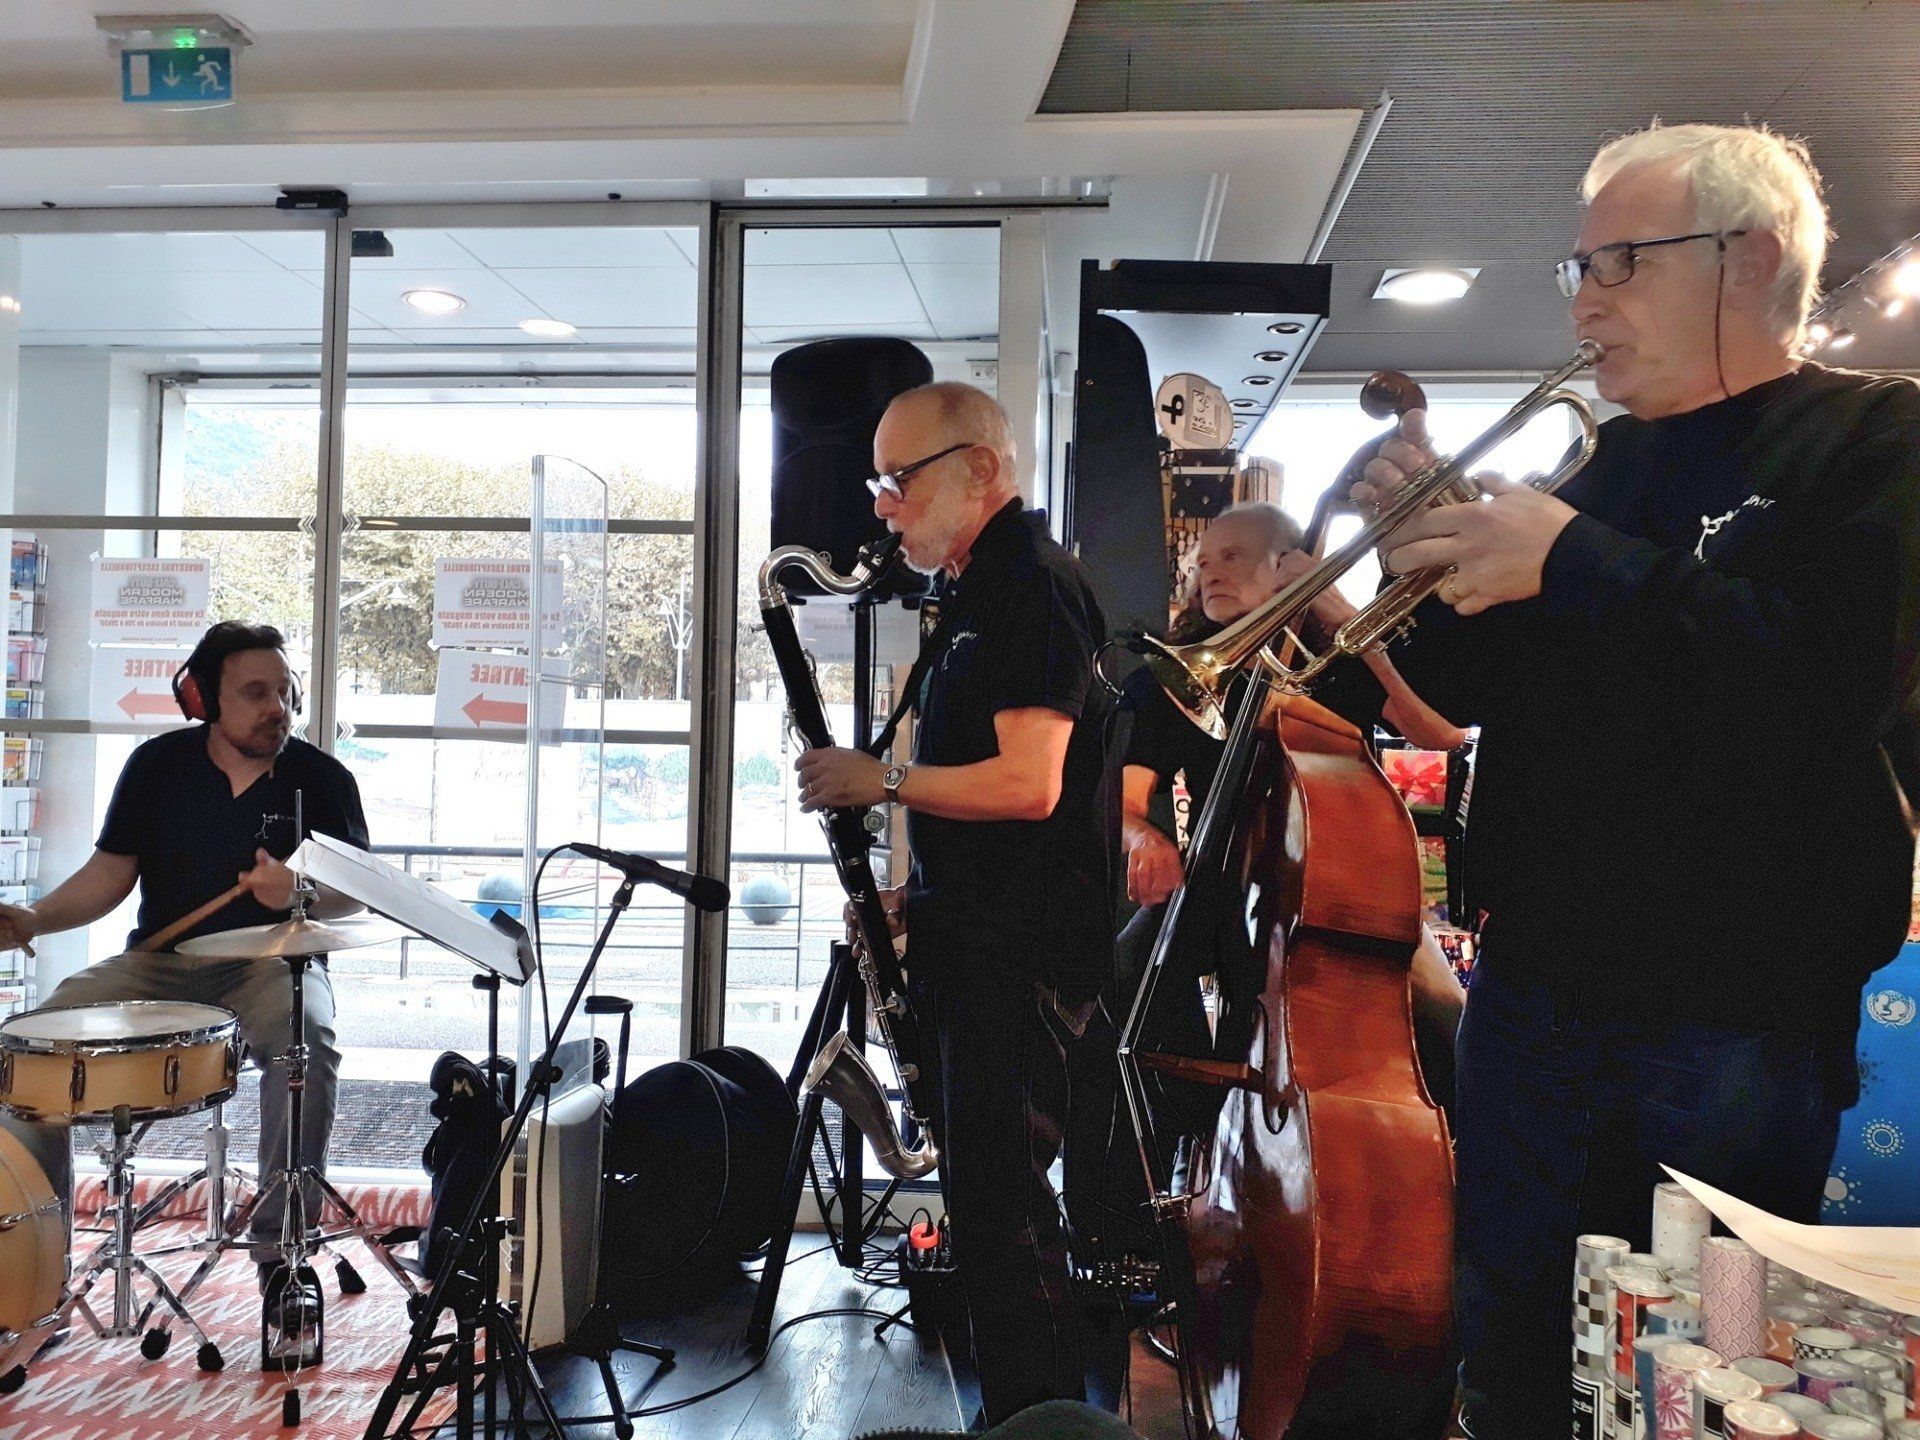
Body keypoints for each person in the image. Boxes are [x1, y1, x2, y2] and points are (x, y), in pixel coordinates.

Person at [1347, 123, 1920, 1440]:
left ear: (1749, 259)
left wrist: (1569, 561)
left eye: (1621, 261)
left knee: (1711, 1374)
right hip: (1534, 995)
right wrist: (1415, 557)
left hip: (1738, 1020)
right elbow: (1469, 696)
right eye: (1581, 267)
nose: (1584, 301)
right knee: (1511, 1348)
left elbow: (1837, 679)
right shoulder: (1592, 470)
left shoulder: (1875, 437)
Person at [796, 381, 1111, 1424]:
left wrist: (878, 781)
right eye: (877, 484)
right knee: (987, 1217)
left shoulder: (1031, 584)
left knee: (1006, 1221)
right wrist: (910, 898)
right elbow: (986, 806)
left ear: (979, 468)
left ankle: (1041, 1424)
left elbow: (1031, 784)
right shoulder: (978, 590)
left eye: (898, 479)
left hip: (1017, 960)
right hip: (976, 940)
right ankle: (1021, 1417)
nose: (883, 505)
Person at [0, 621, 369, 1329]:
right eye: (256, 693)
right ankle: (38, 1268)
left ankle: (283, 1258)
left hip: (270, 965)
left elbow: (355, 891)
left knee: (308, 1044)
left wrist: (297, 890)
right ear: (203, 699)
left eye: (285, 692)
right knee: (28, 1046)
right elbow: (111, 874)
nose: (277, 709)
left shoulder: (323, 779)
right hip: (159, 966)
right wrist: (36, 918)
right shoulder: (156, 766)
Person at [1113, 501, 1468, 1127]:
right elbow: (1125, 802)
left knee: (1449, 1023)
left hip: (1342, 897)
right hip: (1224, 885)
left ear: (1289, 567)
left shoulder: (1338, 665)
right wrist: (1143, 839)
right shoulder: (1181, 676)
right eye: (1203, 563)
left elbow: (1441, 733)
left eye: (1233, 556)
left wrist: (1344, 615)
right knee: (1124, 984)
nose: (1210, 573)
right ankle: (1179, 1147)